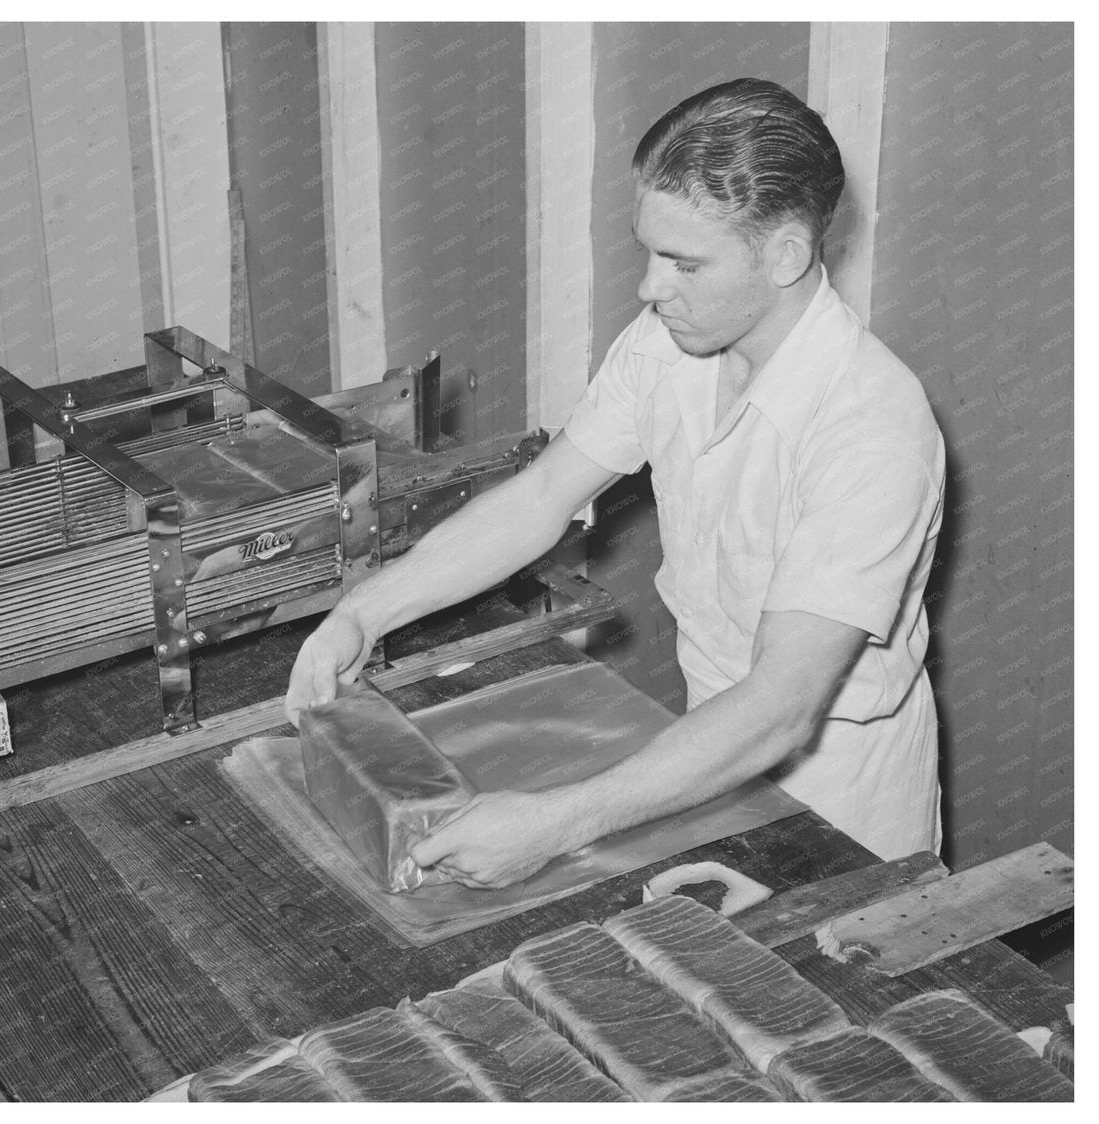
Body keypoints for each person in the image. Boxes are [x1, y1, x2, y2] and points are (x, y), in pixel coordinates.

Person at [284, 78, 945, 887]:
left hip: (836, 795)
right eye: (649, 252)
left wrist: (555, 823)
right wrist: (363, 613)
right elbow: (539, 499)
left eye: (684, 262)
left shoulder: (870, 430)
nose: (649, 287)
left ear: (786, 256)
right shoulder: (669, 343)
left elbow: (782, 703)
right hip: (705, 749)